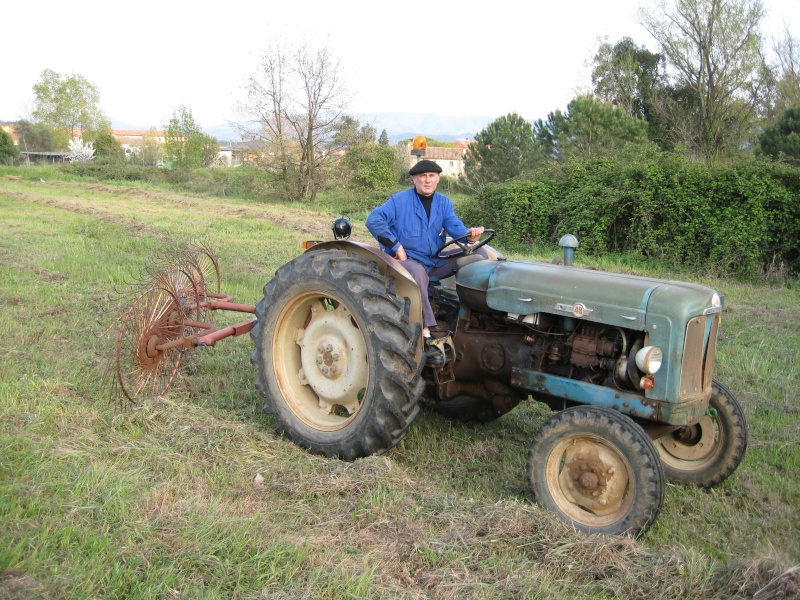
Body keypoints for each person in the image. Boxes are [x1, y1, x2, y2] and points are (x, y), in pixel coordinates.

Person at [366, 159, 487, 342]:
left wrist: (471, 236)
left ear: (438, 178)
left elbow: (456, 229)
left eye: (432, 176)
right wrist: (396, 246)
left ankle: (470, 315)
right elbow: (373, 220)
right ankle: (427, 329)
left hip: (434, 261)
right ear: (414, 179)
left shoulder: (444, 204)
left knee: (479, 254)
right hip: (407, 263)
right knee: (417, 271)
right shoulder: (399, 201)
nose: (427, 180)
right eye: (423, 176)